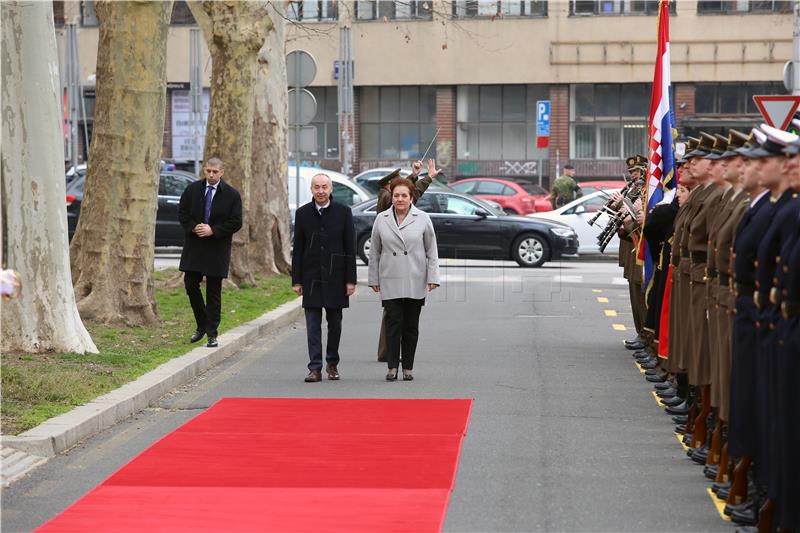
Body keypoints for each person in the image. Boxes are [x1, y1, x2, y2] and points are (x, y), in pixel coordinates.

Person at [368, 178, 440, 381]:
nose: (400, 199)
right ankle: (392, 367)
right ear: (391, 197)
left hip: (415, 276)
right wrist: (373, 278)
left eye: (404, 196)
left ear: (411, 198)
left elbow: (431, 250)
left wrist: (433, 277)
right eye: (396, 195)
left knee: (410, 325)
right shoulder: (381, 219)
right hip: (390, 277)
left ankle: (408, 366)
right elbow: (375, 251)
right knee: (393, 323)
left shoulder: (423, 218)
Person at [291, 173, 357, 383]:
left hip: (336, 277)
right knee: (312, 325)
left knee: (335, 324)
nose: (320, 191)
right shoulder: (302, 214)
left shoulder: (344, 212)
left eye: (324, 187)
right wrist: (297, 280)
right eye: (316, 187)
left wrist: (350, 280)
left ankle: (332, 363)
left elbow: (350, 247)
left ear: (331, 189)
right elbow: (298, 249)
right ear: (311, 189)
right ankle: (315, 367)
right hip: (310, 277)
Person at [178, 157, 243, 348]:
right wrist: (194, 227)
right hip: (195, 246)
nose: (211, 175)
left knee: (213, 291)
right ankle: (202, 324)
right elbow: (182, 213)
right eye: (208, 171)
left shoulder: (231, 195)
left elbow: (236, 221)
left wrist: (213, 230)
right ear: (204, 171)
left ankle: (212, 333)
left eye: (215, 172)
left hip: (217, 248)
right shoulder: (192, 190)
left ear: (222, 172)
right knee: (190, 284)